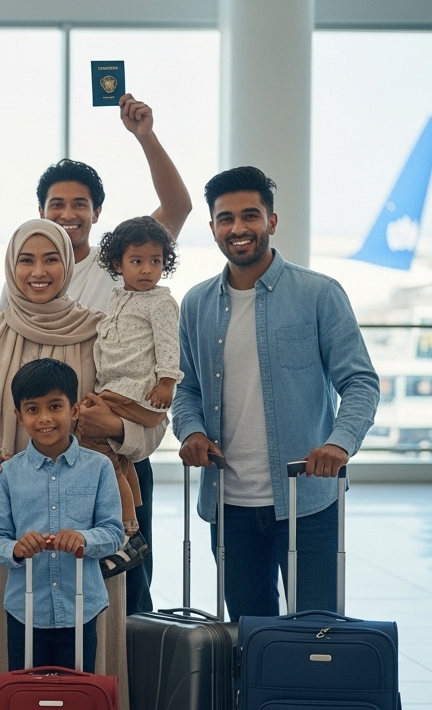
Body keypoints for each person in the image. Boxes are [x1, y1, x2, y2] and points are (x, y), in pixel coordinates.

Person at [0, 219, 162, 710]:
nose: (39, 271)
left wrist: (114, 429)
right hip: (14, 525)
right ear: (11, 266)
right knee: (10, 665)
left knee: (89, 672)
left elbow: (150, 424)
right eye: (27, 260)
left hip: (86, 529)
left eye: (51, 259)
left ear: (70, 265)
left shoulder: (102, 332)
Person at [4, 94, 192, 615]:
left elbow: (177, 209)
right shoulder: (22, 282)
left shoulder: (121, 268)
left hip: (117, 444)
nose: (67, 214)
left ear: (97, 213)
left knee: (127, 584)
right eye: (56, 205)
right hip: (47, 452)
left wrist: (145, 136)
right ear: (41, 212)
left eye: (79, 204)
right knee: (49, 583)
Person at [173, 167, 379, 619]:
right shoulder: (195, 304)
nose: (238, 228)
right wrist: (191, 432)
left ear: (272, 220)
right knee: (251, 638)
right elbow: (185, 388)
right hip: (230, 505)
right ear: (212, 227)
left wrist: (339, 443)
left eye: (250, 215)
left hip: (309, 498)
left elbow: (360, 381)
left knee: (316, 631)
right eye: (226, 218)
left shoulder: (318, 294)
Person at [0, 358, 123, 672]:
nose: (44, 418)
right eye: (33, 409)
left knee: (77, 695)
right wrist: (16, 548)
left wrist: (83, 539)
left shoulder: (99, 467)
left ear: (74, 410)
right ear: (19, 416)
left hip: (81, 609)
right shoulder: (7, 474)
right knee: (26, 695)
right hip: (25, 610)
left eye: (55, 406)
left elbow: (114, 533)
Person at [80, 216, 182, 541]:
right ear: (117, 264)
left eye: (156, 261)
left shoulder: (161, 302)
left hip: (140, 394)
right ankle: (133, 505)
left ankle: (127, 521)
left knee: (92, 443)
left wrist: (167, 382)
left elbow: (169, 344)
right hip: (116, 391)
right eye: (137, 261)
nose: (147, 270)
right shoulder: (117, 297)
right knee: (114, 454)